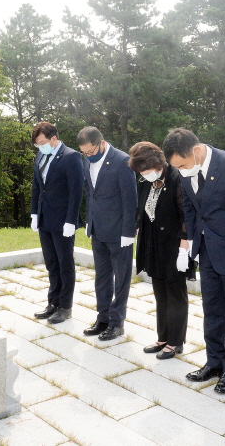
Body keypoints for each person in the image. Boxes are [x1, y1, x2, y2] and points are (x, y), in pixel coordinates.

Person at [163, 128, 225, 394]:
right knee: (213, 311)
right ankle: (214, 362)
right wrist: (191, 245)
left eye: (182, 165)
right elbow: (193, 210)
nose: (180, 171)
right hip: (207, 251)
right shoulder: (187, 171)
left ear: (195, 151)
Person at [128, 141, 194, 359]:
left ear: (158, 163)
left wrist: (184, 249)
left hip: (175, 245)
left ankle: (176, 342)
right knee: (160, 293)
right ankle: (163, 336)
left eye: (146, 170)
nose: (144, 175)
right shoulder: (146, 181)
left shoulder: (177, 177)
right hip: (154, 244)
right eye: (141, 172)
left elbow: (186, 215)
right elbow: (142, 209)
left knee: (175, 294)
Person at [77, 126, 137, 341]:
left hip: (119, 231)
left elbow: (130, 199)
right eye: (85, 153)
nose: (88, 156)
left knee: (121, 279)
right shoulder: (87, 160)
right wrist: (88, 221)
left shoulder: (122, 161)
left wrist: (129, 231)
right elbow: (90, 193)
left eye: (91, 151)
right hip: (97, 229)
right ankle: (102, 318)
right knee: (101, 277)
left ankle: (117, 323)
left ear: (101, 142)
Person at [30, 122, 84, 324]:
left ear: (54, 138)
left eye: (42, 142)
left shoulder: (71, 157)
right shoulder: (41, 156)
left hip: (63, 221)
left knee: (65, 264)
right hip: (44, 218)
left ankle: (65, 306)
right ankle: (52, 302)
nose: (40, 146)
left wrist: (71, 220)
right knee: (51, 263)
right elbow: (37, 187)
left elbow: (76, 191)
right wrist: (34, 213)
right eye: (37, 144)